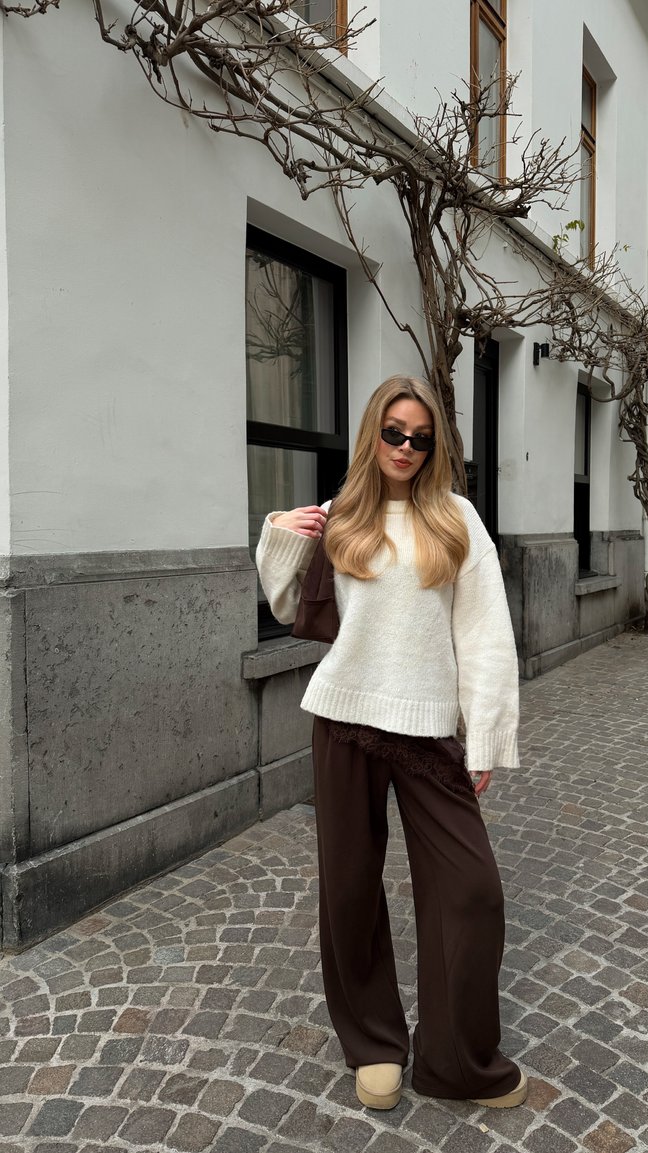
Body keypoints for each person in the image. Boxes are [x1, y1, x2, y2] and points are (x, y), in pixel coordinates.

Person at [255, 376, 527, 1113]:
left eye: (421, 438)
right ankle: (374, 1043)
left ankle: (456, 1060)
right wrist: (282, 532)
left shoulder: (457, 519)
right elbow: (289, 605)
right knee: (348, 889)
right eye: (394, 433)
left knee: (472, 892)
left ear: (434, 446)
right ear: (373, 432)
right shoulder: (344, 513)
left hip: (428, 726)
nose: (406, 448)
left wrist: (484, 737)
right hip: (344, 719)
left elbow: (485, 636)